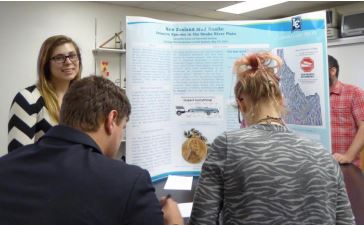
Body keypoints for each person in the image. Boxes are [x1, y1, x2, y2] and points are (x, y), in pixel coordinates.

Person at [189, 52, 355, 224]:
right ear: (281, 100)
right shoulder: (324, 156)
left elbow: (201, 221)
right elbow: (346, 221)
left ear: (242, 103)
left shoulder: (226, 145)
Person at [0, 76, 183, 225]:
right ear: (112, 120)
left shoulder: (5, 167)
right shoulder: (130, 182)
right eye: (123, 127)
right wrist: (174, 221)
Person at [8, 35, 82, 152]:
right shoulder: (28, 99)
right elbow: (18, 158)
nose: (68, 62)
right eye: (59, 57)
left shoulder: (83, 99)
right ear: (46, 64)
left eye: (72, 56)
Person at [328, 55, 364, 168]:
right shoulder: (315, 96)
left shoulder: (354, 92)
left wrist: (348, 156)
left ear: (333, 71)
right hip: (319, 165)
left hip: (345, 165)